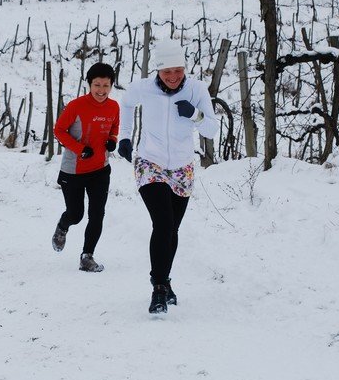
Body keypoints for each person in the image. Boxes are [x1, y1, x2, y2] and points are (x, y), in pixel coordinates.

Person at [117, 40, 219, 314]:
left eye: (178, 70)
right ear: (157, 71)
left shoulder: (197, 89)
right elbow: (126, 104)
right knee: (163, 224)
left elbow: (212, 129)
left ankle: (163, 279)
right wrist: (124, 136)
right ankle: (159, 289)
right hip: (150, 162)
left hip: (182, 167)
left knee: (172, 229)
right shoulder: (143, 88)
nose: (173, 77)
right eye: (166, 72)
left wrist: (195, 115)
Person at [52, 63, 119, 272]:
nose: (101, 90)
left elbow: (114, 127)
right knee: (76, 214)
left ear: (111, 85)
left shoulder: (114, 106)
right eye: (97, 85)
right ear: (89, 84)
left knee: (97, 214)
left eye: (106, 85)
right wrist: (80, 149)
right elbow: (59, 130)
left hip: (100, 169)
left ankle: (86, 256)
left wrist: (113, 140)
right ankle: (63, 226)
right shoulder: (76, 106)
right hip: (74, 170)